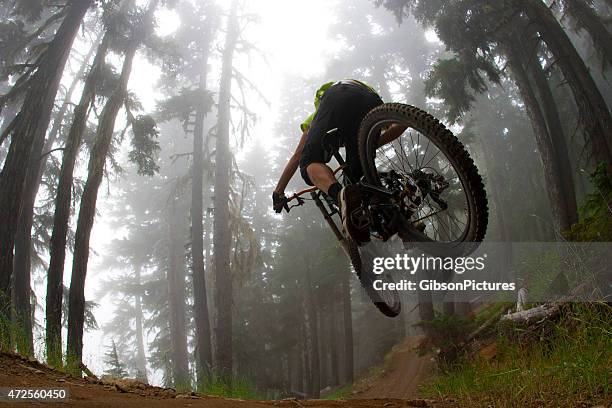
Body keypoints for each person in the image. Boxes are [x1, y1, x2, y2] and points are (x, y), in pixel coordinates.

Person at [272, 79, 405, 243]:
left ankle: (339, 195)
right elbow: (399, 125)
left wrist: (278, 192)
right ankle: (405, 225)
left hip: (337, 95)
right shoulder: (367, 97)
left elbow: (299, 154)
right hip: (370, 98)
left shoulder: (318, 115)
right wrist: (368, 144)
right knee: (362, 182)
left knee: (309, 161)